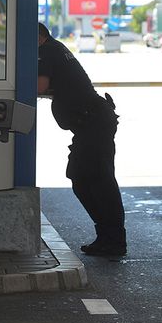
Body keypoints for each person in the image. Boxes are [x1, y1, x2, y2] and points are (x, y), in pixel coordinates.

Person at [37, 22, 126, 256]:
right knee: (82, 179)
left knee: (99, 181)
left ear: (38, 37)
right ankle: (107, 236)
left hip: (93, 123)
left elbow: (39, 86)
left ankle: (114, 240)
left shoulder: (46, 51)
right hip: (90, 124)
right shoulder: (55, 49)